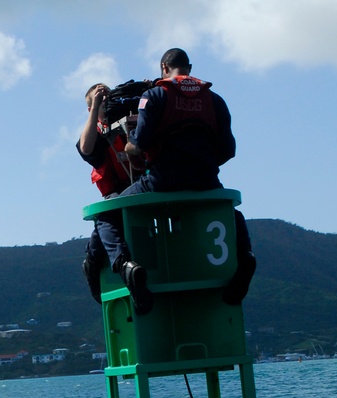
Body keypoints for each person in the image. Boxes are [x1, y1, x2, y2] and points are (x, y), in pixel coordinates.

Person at [81, 48, 256, 310]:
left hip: (162, 180)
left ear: (164, 67)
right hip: (206, 179)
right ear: (189, 68)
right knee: (226, 210)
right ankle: (246, 257)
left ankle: (126, 266)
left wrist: (130, 147)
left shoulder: (154, 96)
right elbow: (228, 150)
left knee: (108, 211)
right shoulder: (215, 99)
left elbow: (138, 145)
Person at [78, 82, 154, 310]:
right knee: (106, 219)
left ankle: (104, 264)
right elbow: (86, 148)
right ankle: (111, 265)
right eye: (100, 101)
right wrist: (96, 108)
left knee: (104, 222)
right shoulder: (98, 134)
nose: (105, 102)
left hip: (139, 189)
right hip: (116, 193)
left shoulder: (129, 122)